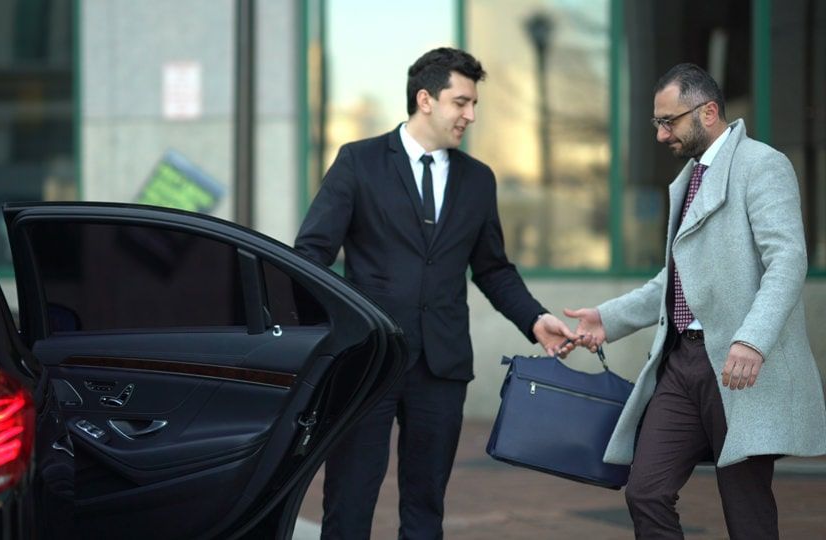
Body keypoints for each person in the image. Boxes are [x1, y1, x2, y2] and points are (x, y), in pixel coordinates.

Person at [294, 47, 578, 539]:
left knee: (427, 508)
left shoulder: (477, 179)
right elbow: (310, 254)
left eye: (473, 104)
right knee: (349, 499)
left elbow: (492, 269)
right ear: (425, 99)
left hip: (441, 366)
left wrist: (535, 319)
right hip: (369, 362)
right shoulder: (358, 163)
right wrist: (332, 336)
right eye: (461, 102)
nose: (470, 115)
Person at [565, 63, 826, 539]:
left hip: (738, 365)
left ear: (707, 112)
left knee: (745, 508)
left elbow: (787, 260)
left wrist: (752, 340)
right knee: (645, 490)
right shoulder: (690, 177)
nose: (662, 135)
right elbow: (677, 278)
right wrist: (607, 318)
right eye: (657, 123)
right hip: (682, 363)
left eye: (670, 121)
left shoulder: (762, 164)